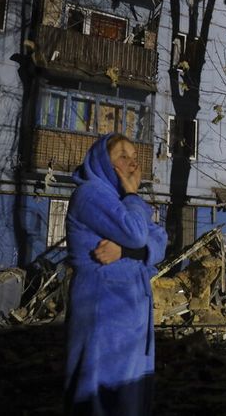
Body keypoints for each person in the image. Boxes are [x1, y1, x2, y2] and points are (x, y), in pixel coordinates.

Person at [64, 133, 167, 415]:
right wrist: (134, 199)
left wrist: (127, 252)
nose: (132, 164)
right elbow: (137, 233)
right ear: (102, 162)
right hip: (104, 309)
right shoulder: (91, 194)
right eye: (123, 156)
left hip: (130, 310)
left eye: (135, 158)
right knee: (99, 395)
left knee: (126, 396)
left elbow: (160, 240)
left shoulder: (126, 201)